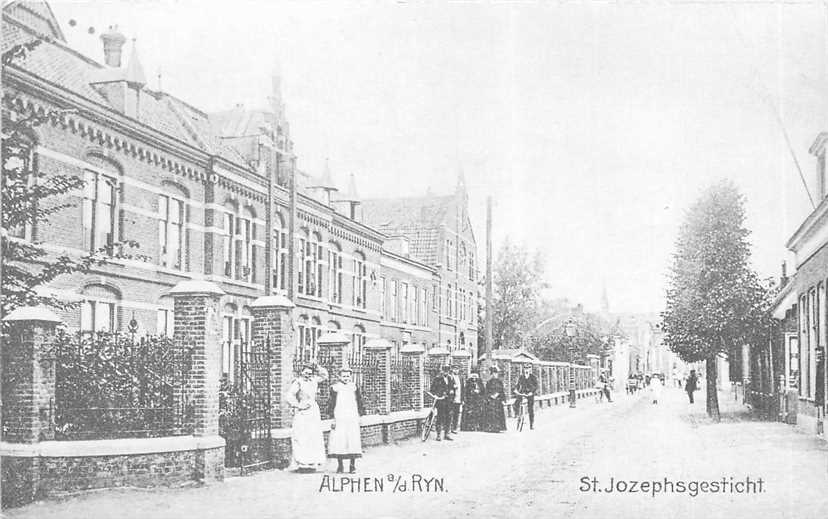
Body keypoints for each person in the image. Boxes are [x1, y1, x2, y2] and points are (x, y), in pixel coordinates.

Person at [285, 362, 329, 472]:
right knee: (301, 435)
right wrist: (298, 405)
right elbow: (289, 395)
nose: (307, 375)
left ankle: (312, 463)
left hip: (313, 411)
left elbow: (325, 375)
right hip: (302, 411)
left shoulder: (314, 380)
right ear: (301, 372)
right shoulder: (298, 382)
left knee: (313, 435)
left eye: (310, 373)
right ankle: (302, 463)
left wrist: (317, 366)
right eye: (305, 372)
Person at [328, 368, 365, 473]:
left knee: (352, 440)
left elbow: (359, 401)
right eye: (344, 376)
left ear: (351, 376)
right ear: (339, 377)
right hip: (339, 417)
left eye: (348, 376)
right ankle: (340, 466)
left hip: (352, 417)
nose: (346, 378)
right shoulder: (335, 388)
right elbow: (331, 404)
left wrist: (360, 416)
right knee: (340, 440)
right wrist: (332, 418)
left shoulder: (354, 387)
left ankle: (352, 466)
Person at [428, 365, 456, 441]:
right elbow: (432, 390)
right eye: (444, 370)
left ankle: (447, 434)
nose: (445, 372)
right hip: (441, 402)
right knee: (440, 418)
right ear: (442, 371)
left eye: (447, 371)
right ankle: (439, 435)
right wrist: (440, 394)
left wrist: (452, 392)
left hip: (449, 402)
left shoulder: (450, 378)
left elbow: (453, 388)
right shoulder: (437, 379)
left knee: (449, 418)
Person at [514, 365, 538, 429]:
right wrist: (516, 390)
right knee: (516, 402)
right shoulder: (521, 377)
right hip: (523, 393)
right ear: (523, 369)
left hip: (530, 394)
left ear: (530, 369)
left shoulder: (533, 377)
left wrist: (532, 392)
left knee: (530, 409)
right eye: (525, 368)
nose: (526, 370)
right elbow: (518, 385)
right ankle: (516, 413)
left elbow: (536, 386)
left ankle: (531, 424)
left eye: (528, 368)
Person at [483, 366, 507, 432]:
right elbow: (486, 391)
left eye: (496, 373)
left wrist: (503, 399)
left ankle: (498, 428)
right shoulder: (489, 382)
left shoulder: (500, 382)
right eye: (493, 373)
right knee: (491, 414)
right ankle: (491, 427)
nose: (494, 375)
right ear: (491, 374)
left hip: (498, 400)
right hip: (491, 400)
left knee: (498, 414)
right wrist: (490, 396)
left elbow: (502, 391)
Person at [449, 365, 465, 434]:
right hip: (452, 399)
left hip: (458, 398)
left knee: (456, 414)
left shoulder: (460, 378)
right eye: (454, 369)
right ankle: (449, 428)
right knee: (450, 413)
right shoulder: (450, 377)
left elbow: (463, 389)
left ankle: (454, 428)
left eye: (457, 369)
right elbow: (448, 386)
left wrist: (462, 399)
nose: (456, 370)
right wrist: (452, 387)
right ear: (452, 370)